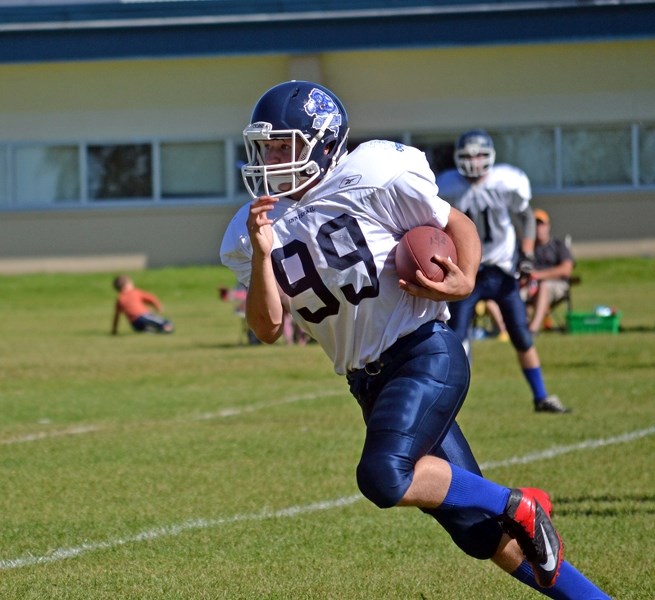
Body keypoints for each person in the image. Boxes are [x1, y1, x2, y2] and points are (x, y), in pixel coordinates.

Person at [220, 80, 609, 599]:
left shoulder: (372, 175)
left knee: (383, 476)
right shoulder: (250, 233)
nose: (270, 157)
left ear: (324, 142)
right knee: (481, 536)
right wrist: (266, 253)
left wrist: (466, 279)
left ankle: (517, 504)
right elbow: (268, 328)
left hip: (423, 352)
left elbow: (456, 223)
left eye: (284, 144)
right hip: (368, 383)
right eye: (265, 146)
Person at [437, 130, 569, 414]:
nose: (473, 161)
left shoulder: (505, 181)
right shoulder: (447, 185)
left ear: (490, 156)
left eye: (479, 155)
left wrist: (528, 255)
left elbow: (526, 218)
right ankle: (448, 404)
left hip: (503, 269)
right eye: (467, 155)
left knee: (521, 335)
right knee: (456, 337)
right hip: (468, 270)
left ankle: (541, 396)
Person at [522, 209, 575, 334]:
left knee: (544, 286)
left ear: (548, 226)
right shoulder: (527, 247)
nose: (538, 228)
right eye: (535, 224)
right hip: (530, 286)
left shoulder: (558, 245)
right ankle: (511, 328)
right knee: (513, 292)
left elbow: (567, 269)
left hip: (556, 285)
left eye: (541, 224)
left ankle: (533, 329)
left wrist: (539, 276)